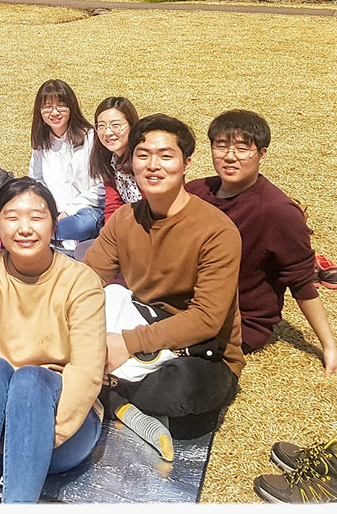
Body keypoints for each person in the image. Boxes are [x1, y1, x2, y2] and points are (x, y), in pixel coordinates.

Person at [82, 114, 244, 455]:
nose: (153, 165)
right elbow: (86, 282)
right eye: (143, 155)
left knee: (181, 389)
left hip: (200, 351)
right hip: (139, 323)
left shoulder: (217, 231)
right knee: (103, 300)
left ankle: (108, 392)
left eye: (166, 156)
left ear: (186, 164)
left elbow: (207, 319)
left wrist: (126, 344)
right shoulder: (125, 219)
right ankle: (118, 392)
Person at [0, 178, 106, 504]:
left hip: (59, 432)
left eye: (36, 217)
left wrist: (37, 439)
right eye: (12, 217)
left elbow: (87, 373)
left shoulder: (80, 282)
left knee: (31, 380)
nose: (24, 228)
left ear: (54, 224)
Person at [186, 109, 337, 373]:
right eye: (221, 146)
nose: (230, 156)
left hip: (239, 321)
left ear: (262, 154)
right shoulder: (195, 192)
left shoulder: (278, 211)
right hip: (187, 302)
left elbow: (301, 282)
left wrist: (330, 349)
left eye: (243, 148)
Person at [28, 79, 104, 243]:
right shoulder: (41, 142)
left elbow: (102, 187)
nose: (54, 112)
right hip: (52, 212)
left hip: (86, 211)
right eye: (47, 107)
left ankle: (44, 237)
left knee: (80, 225)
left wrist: (69, 210)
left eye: (61, 106)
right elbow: (36, 180)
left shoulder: (91, 138)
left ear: (71, 107)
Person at [89, 96, 141, 223]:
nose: (108, 132)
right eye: (101, 126)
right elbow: (113, 206)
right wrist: (110, 231)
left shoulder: (144, 159)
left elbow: (156, 206)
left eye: (115, 125)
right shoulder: (110, 161)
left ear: (131, 126)